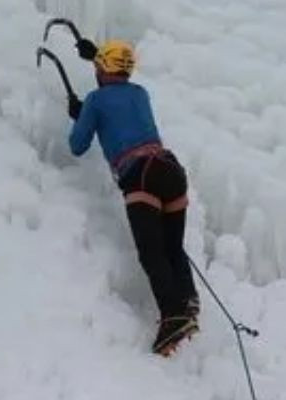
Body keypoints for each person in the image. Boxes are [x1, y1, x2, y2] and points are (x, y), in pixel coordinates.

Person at [68, 40, 200, 356]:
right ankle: (188, 300)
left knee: (151, 252)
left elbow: (77, 145)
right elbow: (116, 83)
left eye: (98, 66)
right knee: (172, 247)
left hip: (140, 173)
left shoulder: (96, 100)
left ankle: (173, 315)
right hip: (170, 168)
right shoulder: (140, 92)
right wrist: (95, 55)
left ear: (103, 68)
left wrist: (80, 113)